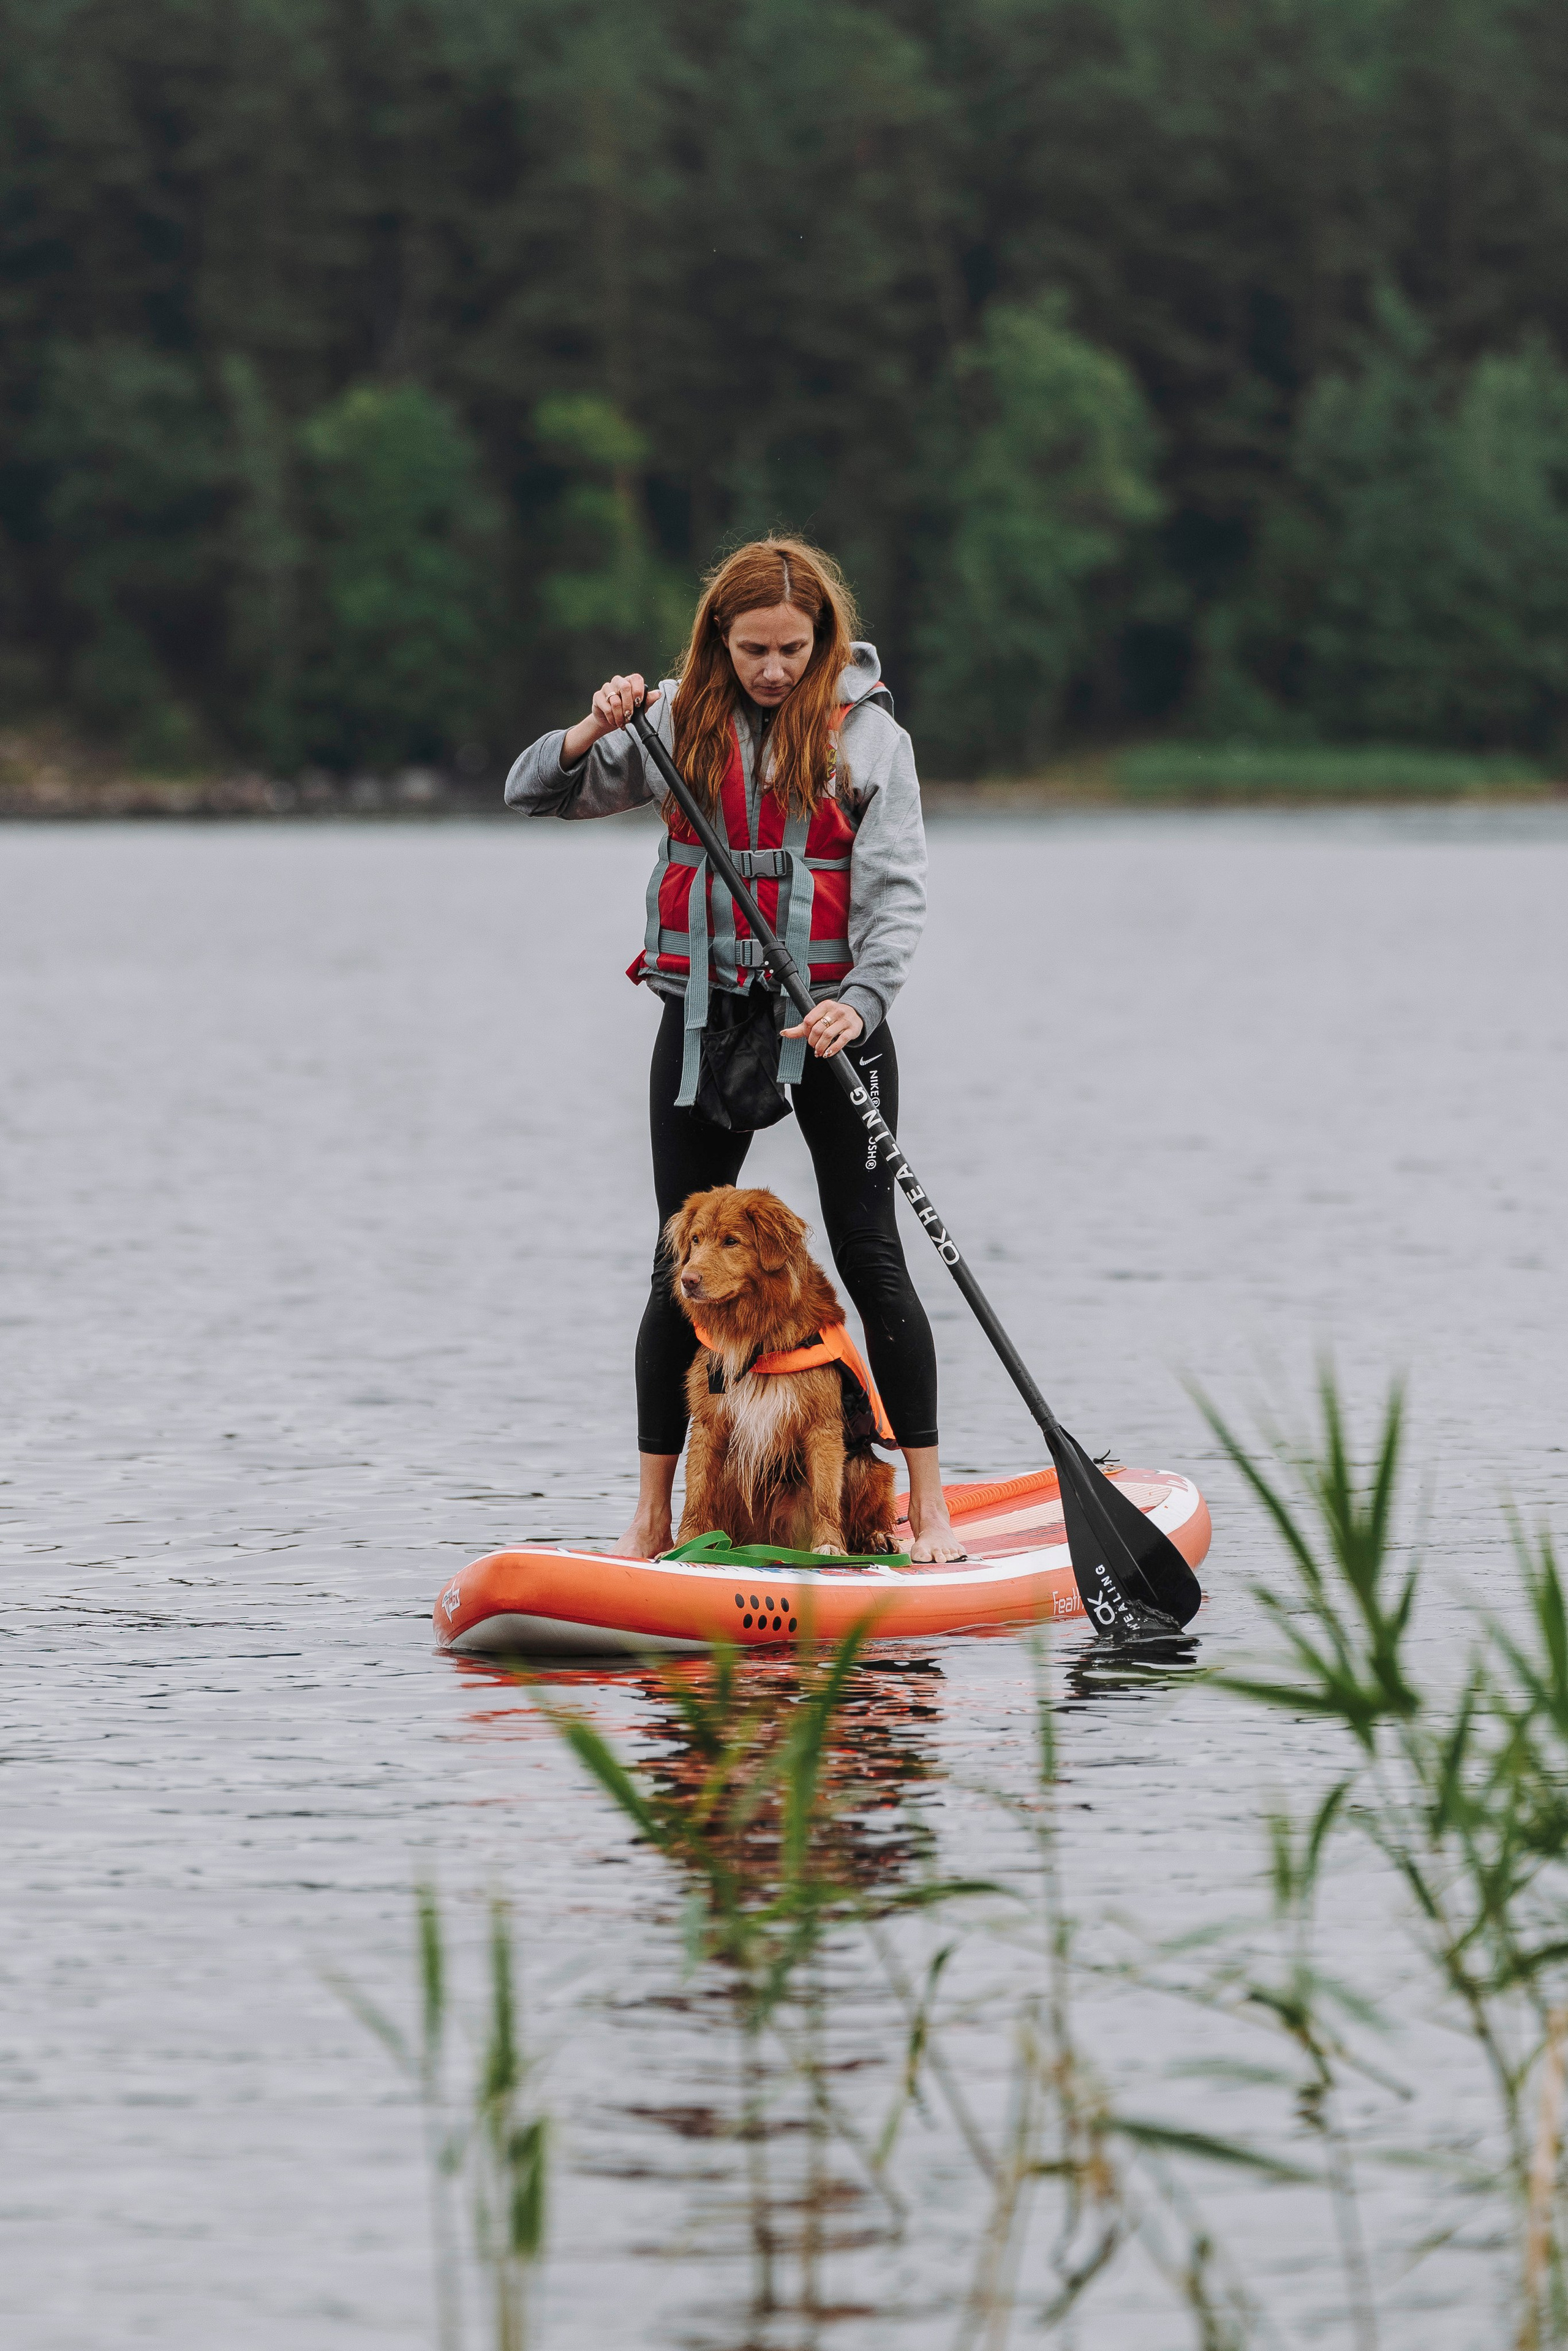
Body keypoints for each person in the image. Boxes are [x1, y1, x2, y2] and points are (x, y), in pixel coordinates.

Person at [504, 535, 963, 1563]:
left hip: (830, 1025)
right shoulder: (674, 721)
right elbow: (531, 791)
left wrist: (864, 1000)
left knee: (871, 1254)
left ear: (822, 640)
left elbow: (897, 897)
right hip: (708, 1020)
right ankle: (647, 1518)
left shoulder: (869, 740)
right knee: (676, 1269)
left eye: (793, 649)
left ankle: (930, 1510)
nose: (772, 670)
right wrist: (596, 723)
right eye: (753, 648)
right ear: (720, 636)